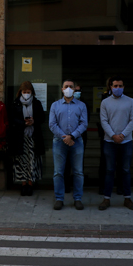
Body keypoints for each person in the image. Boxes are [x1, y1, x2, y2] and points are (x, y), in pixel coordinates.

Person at [99, 76, 133, 211]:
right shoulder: (105, 103)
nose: (117, 88)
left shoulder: (130, 101)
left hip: (126, 141)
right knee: (109, 170)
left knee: (126, 170)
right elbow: (103, 121)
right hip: (110, 142)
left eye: (120, 86)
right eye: (115, 86)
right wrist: (113, 135)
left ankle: (127, 198)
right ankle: (106, 199)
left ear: (124, 87)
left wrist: (122, 135)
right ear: (110, 87)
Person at [49, 79, 88, 210]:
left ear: (75, 89)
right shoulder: (55, 105)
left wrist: (72, 136)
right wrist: (64, 137)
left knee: (78, 172)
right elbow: (52, 124)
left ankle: (77, 198)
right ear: (62, 89)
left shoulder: (81, 105)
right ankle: (59, 198)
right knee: (58, 172)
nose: (69, 88)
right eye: (66, 86)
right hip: (59, 142)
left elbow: (84, 124)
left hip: (76, 142)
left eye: (71, 86)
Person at [9, 81, 45, 197]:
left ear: (32, 92)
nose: (26, 94)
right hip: (20, 137)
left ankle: (30, 183)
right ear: (20, 92)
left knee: (32, 160)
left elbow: (42, 118)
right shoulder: (16, 104)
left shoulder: (37, 103)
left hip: (33, 137)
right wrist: (23, 123)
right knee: (21, 161)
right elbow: (12, 118)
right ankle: (23, 184)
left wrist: (34, 121)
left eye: (28, 92)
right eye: (24, 92)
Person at [64, 83, 89, 193]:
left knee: (78, 164)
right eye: (76, 90)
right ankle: (66, 186)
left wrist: (74, 135)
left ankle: (78, 188)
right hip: (65, 137)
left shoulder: (83, 104)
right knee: (65, 163)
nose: (77, 92)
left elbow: (85, 122)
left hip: (80, 137)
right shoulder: (61, 104)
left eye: (79, 90)